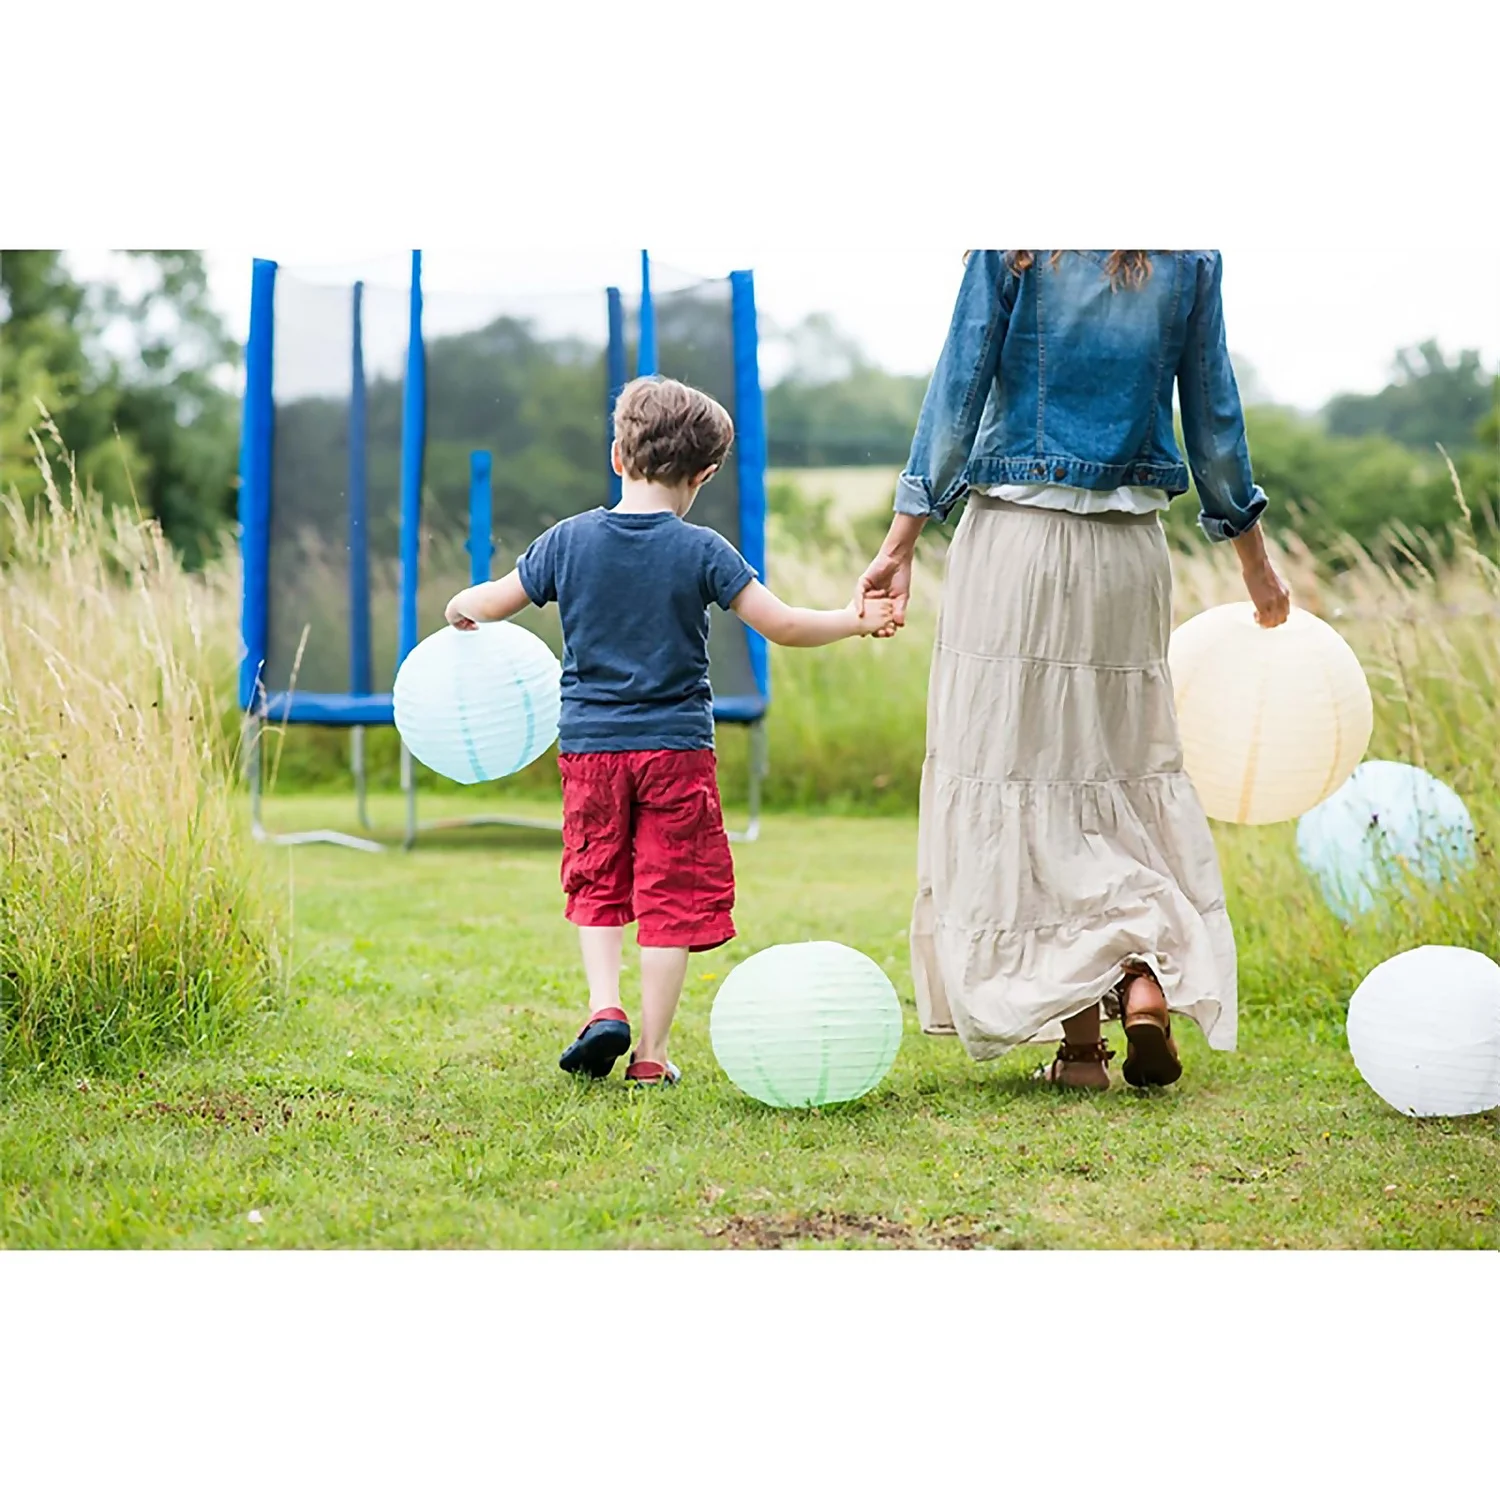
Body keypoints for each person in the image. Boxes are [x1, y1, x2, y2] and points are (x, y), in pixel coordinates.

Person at [858, 250, 1291, 1090]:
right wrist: (1256, 564)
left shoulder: (1015, 245)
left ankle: (1086, 1050)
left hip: (1015, 546)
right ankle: (1137, 976)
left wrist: (901, 539)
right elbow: (1215, 418)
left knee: (1023, 781)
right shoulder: (1186, 259)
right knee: (1114, 778)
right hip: (1129, 555)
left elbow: (959, 388)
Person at [447, 375, 897, 1086]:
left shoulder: (566, 542)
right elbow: (782, 625)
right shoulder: (704, 551)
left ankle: (604, 1008)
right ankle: (651, 1057)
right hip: (677, 752)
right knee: (670, 894)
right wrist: (854, 619)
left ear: (617, 455)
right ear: (704, 474)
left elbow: (492, 601)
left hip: (591, 750)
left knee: (597, 876)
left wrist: (459, 607)